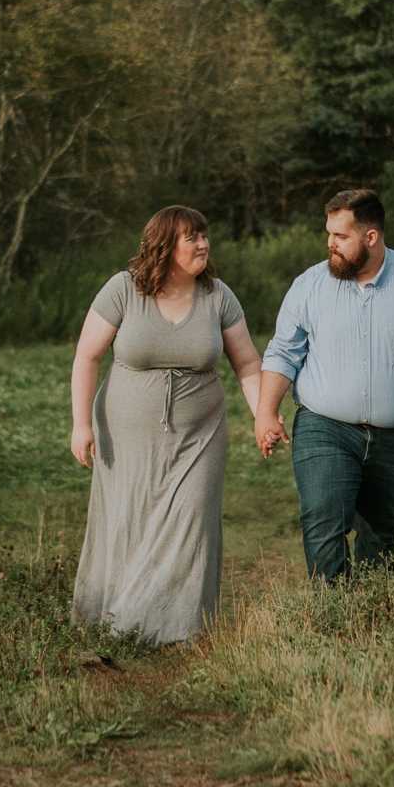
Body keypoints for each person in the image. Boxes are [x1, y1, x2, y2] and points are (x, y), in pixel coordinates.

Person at [69, 205, 265, 644]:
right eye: (191, 237)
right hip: (125, 436)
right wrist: (81, 425)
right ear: (165, 246)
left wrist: (263, 415)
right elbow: (87, 356)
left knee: (192, 519)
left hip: (202, 434)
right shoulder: (124, 289)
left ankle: (179, 630)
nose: (203, 244)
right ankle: (122, 623)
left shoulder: (217, 295)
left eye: (204, 235)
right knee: (131, 521)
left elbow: (248, 361)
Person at [251, 188, 394, 582]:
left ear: (371, 237)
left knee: (379, 536)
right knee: (324, 522)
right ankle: (333, 616)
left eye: (341, 236)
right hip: (324, 427)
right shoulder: (309, 285)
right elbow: (283, 352)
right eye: (329, 234)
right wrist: (266, 413)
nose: (330, 244)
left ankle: (368, 618)